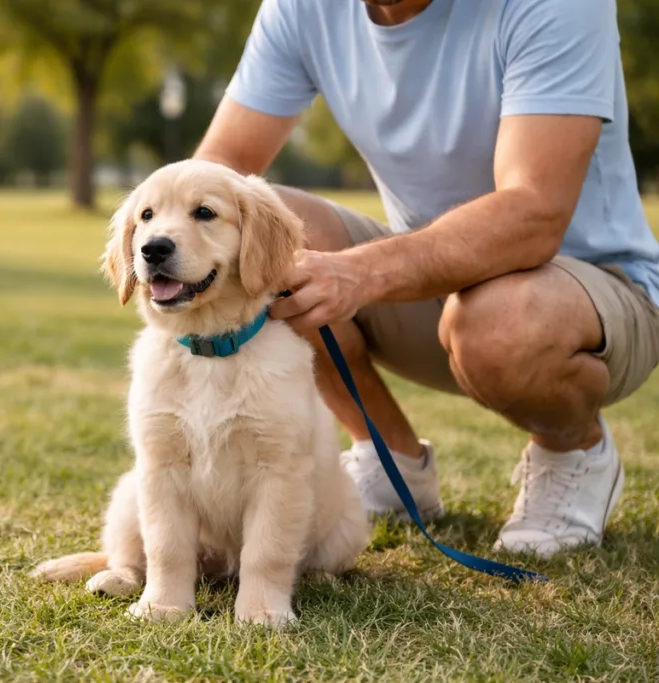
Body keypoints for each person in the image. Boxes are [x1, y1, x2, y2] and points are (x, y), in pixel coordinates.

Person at [194, 0, 659, 558]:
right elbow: (218, 169)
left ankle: (574, 452)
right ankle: (390, 461)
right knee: (266, 236)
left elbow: (534, 213)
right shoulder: (300, 8)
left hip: (587, 296)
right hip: (435, 291)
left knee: (499, 320)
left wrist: (359, 273)